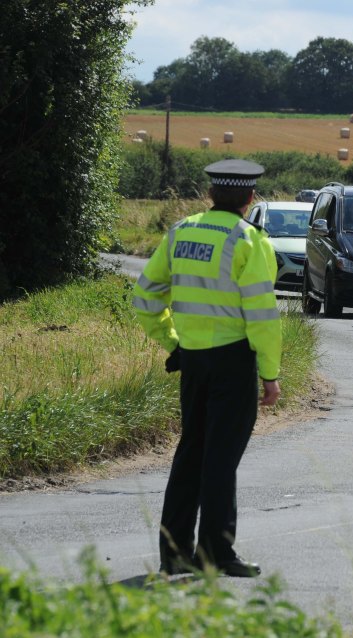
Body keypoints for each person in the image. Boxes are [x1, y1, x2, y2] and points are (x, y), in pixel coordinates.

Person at [132, 159, 282, 578]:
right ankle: (216, 553)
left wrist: (174, 343)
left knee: (190, 453)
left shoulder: (180, 231)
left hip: (193, 360)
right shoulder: (249, 241)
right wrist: (270, 375)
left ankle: (175, 553)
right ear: (250, 199)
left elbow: (144, 299)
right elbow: (262, 318)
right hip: (233, 361)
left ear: (210, 195)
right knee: (221, 459)